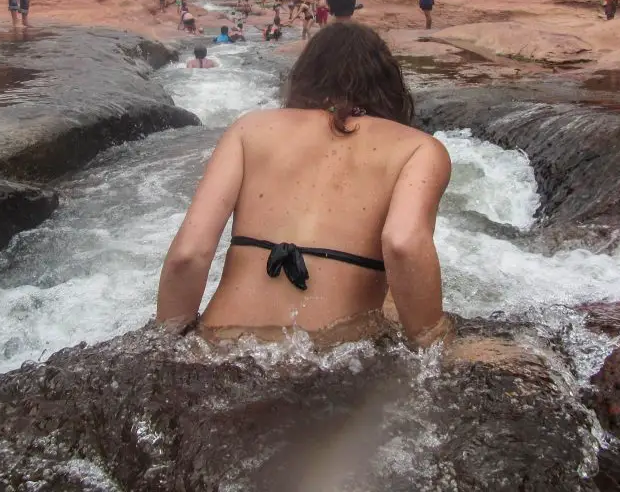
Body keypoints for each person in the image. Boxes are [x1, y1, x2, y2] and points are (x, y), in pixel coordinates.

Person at [155, 22, 453, 347]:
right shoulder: (419, 147)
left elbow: (188, 254)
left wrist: (168, 346)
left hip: (220, 344)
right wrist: (435, 346)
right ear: (389, 83)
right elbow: (403, 244)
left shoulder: (249, 128)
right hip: (327, 355)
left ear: (306, 76)